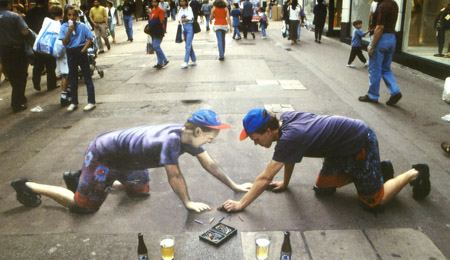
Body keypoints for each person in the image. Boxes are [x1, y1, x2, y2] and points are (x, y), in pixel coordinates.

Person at [11, 110, 252, 214]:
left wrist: (235, 186)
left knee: (140, 191)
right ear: (198, 131)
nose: (211, 142)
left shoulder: (188, 135)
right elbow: (175, 176)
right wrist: (187, 202)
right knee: (84, 207)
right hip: (103, 155)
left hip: (129, 161)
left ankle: (81, 177)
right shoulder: (171, 141)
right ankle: (28, 186)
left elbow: (210, 164)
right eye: (210, 138)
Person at [220, 108, 431, 212]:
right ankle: (378, 170)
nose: (256, 144)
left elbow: (265, 178)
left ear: (267, 130)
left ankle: (415, 173)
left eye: (256, 139)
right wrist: (285, 183)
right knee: (322, 189)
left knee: (373, 202)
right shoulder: (284, 121)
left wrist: (241, 204)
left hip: (360, 141)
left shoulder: (290, 137)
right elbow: (289, 156)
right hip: (339, 149)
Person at [358, 0, 402, 106]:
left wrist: (372, 46)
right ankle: (395, 91)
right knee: (385, 68)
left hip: (380, 39)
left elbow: (380, 27)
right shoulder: (393, 4)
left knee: (374, 69)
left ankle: (373, 95)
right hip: (391, 38)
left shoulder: (382, 6)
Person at [60, 5, 96, 112]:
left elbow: (90, 39)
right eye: (69, 15)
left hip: (81, 50)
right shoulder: (63, 27)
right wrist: (68, 32)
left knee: (87, 77)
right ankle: (74, 102)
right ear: (66, 16)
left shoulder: (82, 26)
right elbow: (64, 42)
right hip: (71, 52)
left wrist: (83, 50)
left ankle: (91, 101)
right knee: (73, 77)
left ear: (77, 16)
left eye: (74, 15)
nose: (72, 17)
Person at [0, 0, 30, 113]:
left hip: (3, 50)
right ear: (9, 5)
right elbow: (25, 31)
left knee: (11, 75)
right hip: (16, 50)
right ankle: (17, 102)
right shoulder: (14, 16)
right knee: (21, 76)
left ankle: (19, 97)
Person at [26, 0, 58, 92]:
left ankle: (36, 82)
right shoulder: (47, 13)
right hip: (46, 40)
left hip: (35, 40)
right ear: (45, 3)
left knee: (38, 63)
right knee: (50, 63)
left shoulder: (29, 13)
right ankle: (51, 84)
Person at [49, 5, 71, 107]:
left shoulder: (50, 25)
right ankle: (64, 97)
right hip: (65, 51)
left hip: (57, 51)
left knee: (65, 73)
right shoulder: (63, 25)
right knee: (66, 74)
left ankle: (68, 91)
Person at [149, 0, 169, 69]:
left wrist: (153, 21)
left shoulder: (160, 10)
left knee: (156, 46)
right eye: (152, 2)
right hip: (153, 30)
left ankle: (165, 59)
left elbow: (162, 21)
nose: (153, 3)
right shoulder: (152, 10)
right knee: (156, 46)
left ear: (157, 3)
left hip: (159, 30)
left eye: (155, 2)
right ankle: (160, 63)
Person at [178, 0, 197, 68]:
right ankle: (194, 60)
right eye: (180, 1)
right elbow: (179, 19)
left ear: (186, 2)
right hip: (183, 28)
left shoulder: (189, 8)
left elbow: (190, 18)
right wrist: (183, 20)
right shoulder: (180, 10)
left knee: (187, 45)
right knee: (189, 45)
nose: (182, 2)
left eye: (183, 1)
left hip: (190, 28)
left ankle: (186, 61)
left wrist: (183, 20)